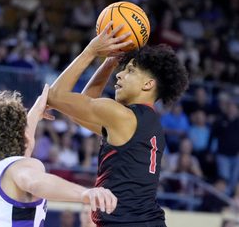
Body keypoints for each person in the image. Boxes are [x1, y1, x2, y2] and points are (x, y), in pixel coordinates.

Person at [48, 22, 189, 227]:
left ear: (148, 84)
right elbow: (79, 114)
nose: (119, 74)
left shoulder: (120, 116)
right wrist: (109, 63)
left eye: (130, 71)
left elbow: (54, 96)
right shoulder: (147, 123)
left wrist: (91, 51)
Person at [0, 84, 117, 227]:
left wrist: (36, 109)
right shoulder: (20, 167)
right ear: (24, 135)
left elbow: (27, 128)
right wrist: (85, 193)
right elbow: (34, 182)